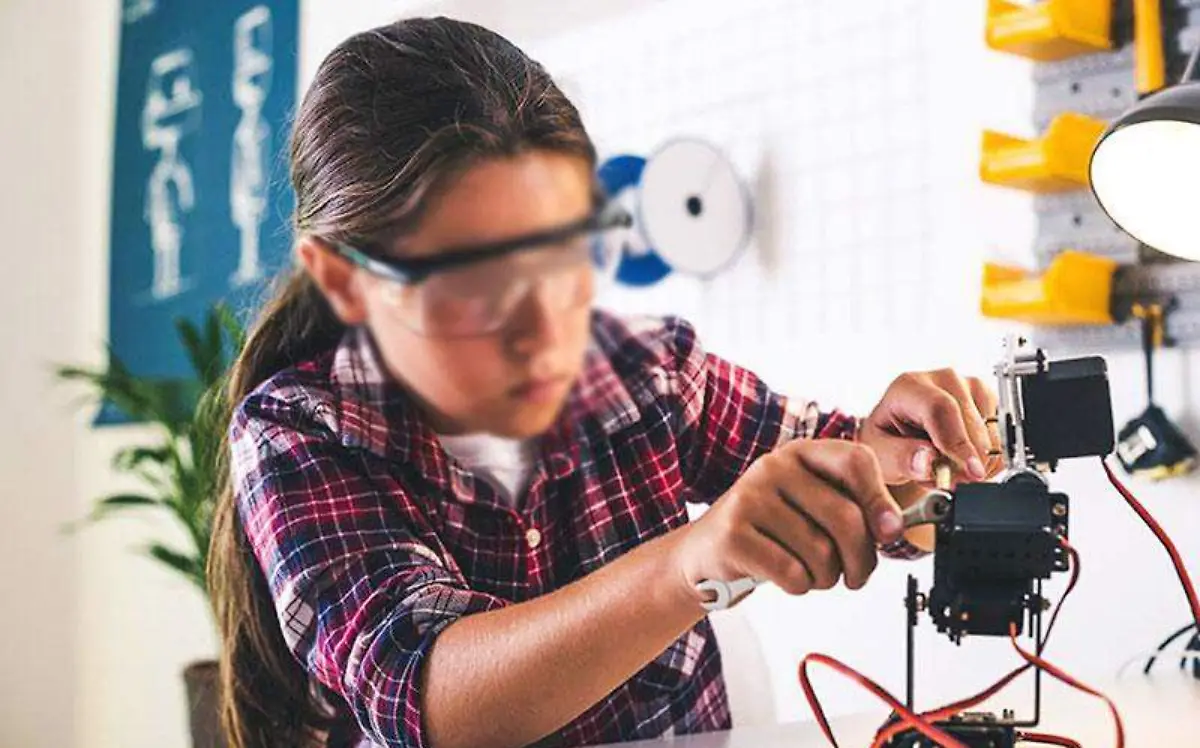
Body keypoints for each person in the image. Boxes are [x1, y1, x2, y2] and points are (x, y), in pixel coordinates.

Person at [208, 17, 999, 748]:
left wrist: (917, 463)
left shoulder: (644, 371)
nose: (541, 329)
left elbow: (860, 482)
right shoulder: (299, 432)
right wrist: (688, 565)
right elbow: (430, 698)